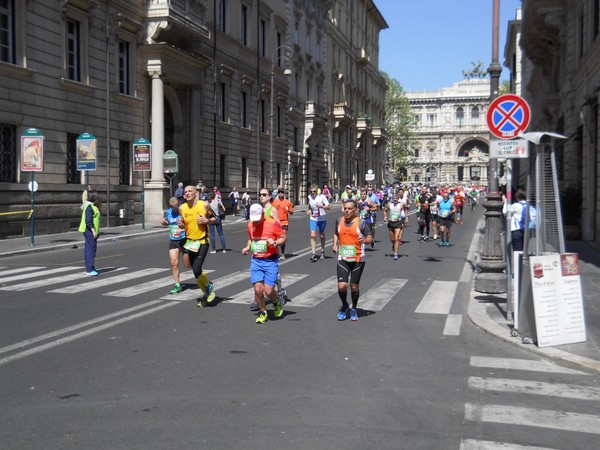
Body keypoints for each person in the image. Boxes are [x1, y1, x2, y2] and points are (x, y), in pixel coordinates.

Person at [242, 203, 287, 324]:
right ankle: (263, 312)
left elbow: (283, 237)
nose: (255, 222)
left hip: (270, 261)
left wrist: (275, 243)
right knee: (258, 289)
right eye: (253, 219)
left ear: (263, 214)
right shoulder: (250, 224)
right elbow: (251, 239)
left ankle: (276, 301)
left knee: (268, 291)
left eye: (258, 219)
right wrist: (247, 247)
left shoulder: (272, 223)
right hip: (256, 260)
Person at [332, 199, 373, 321]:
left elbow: (370, 238)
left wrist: (364, 240)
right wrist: (334, 245)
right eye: (345, 208)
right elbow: (336, 233)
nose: (347, 211)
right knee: (342, 286)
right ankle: (345, 306)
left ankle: (354, 307)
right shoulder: (339, 221)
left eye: (350, 209)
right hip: (343, 258)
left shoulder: (361, 223)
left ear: (355, 210)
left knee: (354, 287)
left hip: (358, 259)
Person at [178, 185, 217, 307]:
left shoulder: (204, 205)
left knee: (196, 268)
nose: (187, 193)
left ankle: (208, 288)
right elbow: (183, 225)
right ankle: (207, 292)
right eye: (185, 192)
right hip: (190, 242)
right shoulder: (182, 208)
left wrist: (207, 221)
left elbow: (215, 218)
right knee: (196, 272)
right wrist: (181, 225)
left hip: (202, 241)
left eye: (190, 191)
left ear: (196, 193)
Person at [160, 197, 186, 293]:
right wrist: (164, 222)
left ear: (178, 204)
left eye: (176, 207)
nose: (174, 209)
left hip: (184, 239)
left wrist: (184, 227)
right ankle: (177, 284)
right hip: (173, 240)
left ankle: (201, 278)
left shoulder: (183, 210)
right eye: (172, 207)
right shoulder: (168, 212)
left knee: (188, 264)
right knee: (173, 263)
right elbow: (168, 222)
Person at [79, 191, 101, 276]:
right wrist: (94, 231)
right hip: (89, 230)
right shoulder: (90, 207)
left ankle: (90, 267)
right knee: (91, 249)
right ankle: (89, 269)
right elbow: (88, 221)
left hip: (88, 230)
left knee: (90, 249)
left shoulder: (90, 206)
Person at [307, 184, 330, 262]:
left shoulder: (322, 197)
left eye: (314, 191)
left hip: (322, 218)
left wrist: (322, 206)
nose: (313, 193)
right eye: (311, 191)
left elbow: (329, 207)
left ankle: (322, 250)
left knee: (321, 235)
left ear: (317, 191)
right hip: (313, 218)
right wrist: (309, 210)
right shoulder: (309, 197)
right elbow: (310, 205)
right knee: (312, 235)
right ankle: (313, 253)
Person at [271, 189, 294, 258]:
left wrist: (289, 210)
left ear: (284, 194)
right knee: (276, 238)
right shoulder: (274, 202)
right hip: (276, 222)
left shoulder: (288, 202)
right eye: (279, 192)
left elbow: (292, 213)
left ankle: (282, 253)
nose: (280, 194)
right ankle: (276, 252)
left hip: (284, 222)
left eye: (282, 192)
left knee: (282, 237)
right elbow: (271, 211)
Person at [383, 193, 406, 260]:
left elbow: (405, 210)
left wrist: (406, 217)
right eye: (394, 198)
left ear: (398, 199)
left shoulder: (401, 204)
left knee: (397, 238)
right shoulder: (389, 204)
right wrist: (385, 217)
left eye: (396, 198)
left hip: (398, 222)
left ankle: (396, 254)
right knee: (392, 239)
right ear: (392, 199)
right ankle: (394, 244)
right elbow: (385, 211)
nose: (395, 199)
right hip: (391, 222)